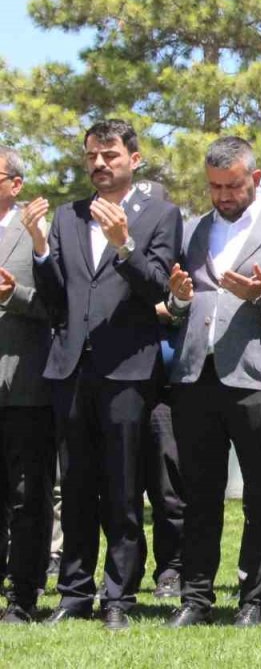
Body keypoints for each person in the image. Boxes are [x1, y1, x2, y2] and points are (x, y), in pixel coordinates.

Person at [23, 119, 182, 630]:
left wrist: (123, 245)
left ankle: (119, 596)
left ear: (134, 159)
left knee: (122, 486)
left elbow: (158, 287)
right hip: (71, 368)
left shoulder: (160, 214)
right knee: (76, 485)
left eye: (110, 155)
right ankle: (73, 593)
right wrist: (40, 249)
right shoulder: (68, 216)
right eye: (92, 155)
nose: (99, 164)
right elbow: (55, 299)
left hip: (127, 370)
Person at [163, 137, 261, 627]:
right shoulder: (195, 229)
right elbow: (184, 299)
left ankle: (254, 600)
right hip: (198, 374)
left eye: (232, 186)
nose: (222, 195)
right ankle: (196, 597)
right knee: (199, 492)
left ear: (255, 179)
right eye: (214, 186)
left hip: (259, 377)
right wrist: (177, 299)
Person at [0, 146, 53, 624]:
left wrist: (13, 295)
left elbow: (58, 304)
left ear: (15, 184)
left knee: (27, 496)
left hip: (25, 387)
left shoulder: (37, 233)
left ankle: (24, 595)